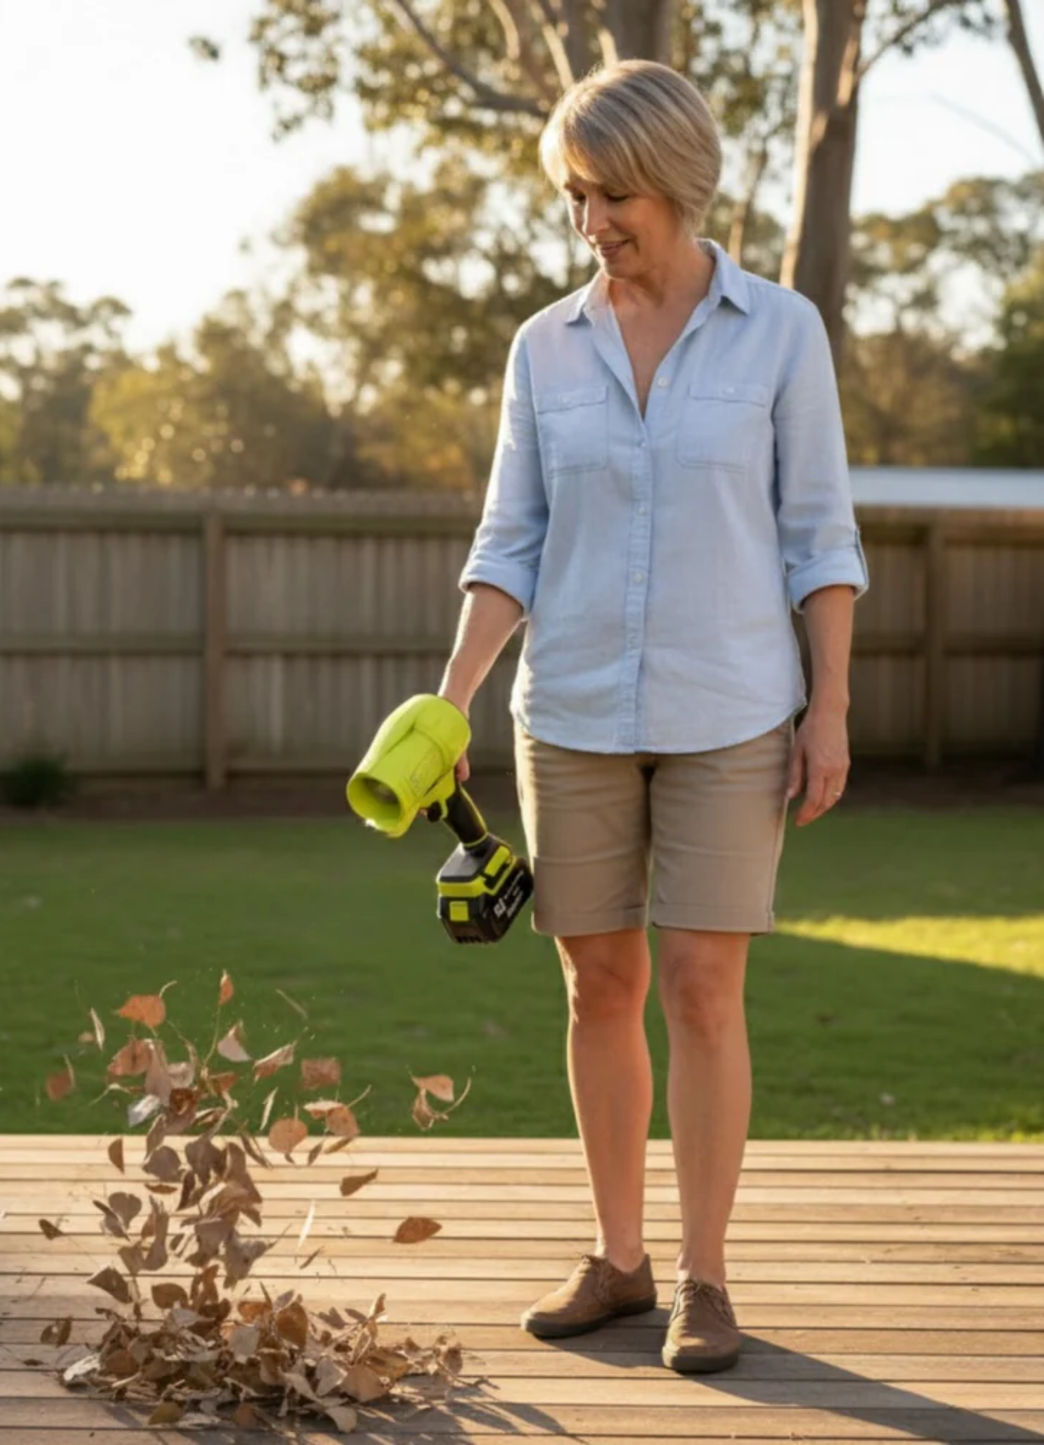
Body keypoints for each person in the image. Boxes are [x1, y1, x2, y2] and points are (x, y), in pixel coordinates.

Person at [437, 59, 868, 1375]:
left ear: (675, 180)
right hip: (565, 709)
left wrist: (830, 708)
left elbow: (819, 537)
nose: (590, 224)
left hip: (734, 706)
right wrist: (448, 703)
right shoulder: (543, 347)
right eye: (574, 196)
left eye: (610, 194)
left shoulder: (780, 331)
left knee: (700, 983)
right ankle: (619, 1263)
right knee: (597, 982)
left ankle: (704, 1279)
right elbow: (510, 538)